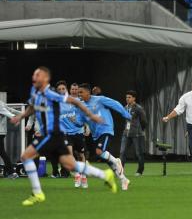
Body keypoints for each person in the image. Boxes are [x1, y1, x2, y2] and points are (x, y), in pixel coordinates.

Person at [10, 67, 117, 206]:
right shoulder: (35, 92)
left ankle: (37, 193)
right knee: (70, 165)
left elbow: (76, 102)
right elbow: (32, 107)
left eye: (38, 75)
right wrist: (21, 116)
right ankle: (105, 175)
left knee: (26, 156)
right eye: (34, 74)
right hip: (57, 135)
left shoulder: (51, 94)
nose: (35, 77)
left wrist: (91, 116)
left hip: (52, 133)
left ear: (46, 79)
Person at [78, 83, 131, 191]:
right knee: (107, 161)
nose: (79, 94)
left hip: (106, 128)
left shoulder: (99, 99)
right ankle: (123, 179)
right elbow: (82, 120)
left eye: (81, 92)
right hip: (95, 134)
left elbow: (115, 104)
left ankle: (117, 161)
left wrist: (126, 114)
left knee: (99, 151)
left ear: (88, 92)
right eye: (79, 92)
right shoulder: (81, 105)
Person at [55, 81, 88, 188]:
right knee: (70, 154)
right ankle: (77, 175)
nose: (61, 91)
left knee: (81, 155)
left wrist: (87, 126)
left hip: (78, 132)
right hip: (66, 133)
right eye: (59, 89)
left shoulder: (78, 101)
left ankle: (83, 176)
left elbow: (85, 115)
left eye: (62, 89)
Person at [119, 90, 147, 176]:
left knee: (139, 153)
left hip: (137, 134)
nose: (127, 99)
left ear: (134, 98)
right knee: (122, 152)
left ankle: (140, 171)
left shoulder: (138, 108)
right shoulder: (125, 108)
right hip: (126, 133)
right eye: (126, 97)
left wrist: (140, 130)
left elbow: (144, 121)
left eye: (129, 97)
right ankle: (120, 171)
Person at [0, 101, 20, 179]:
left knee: (2, 152)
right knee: (2, 152)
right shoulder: (1, 102)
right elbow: (10, 110)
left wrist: (14, 117)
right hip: (1, 132)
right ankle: (11, 172)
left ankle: (12, 172)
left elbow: (8, 112)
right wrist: (23, 113)